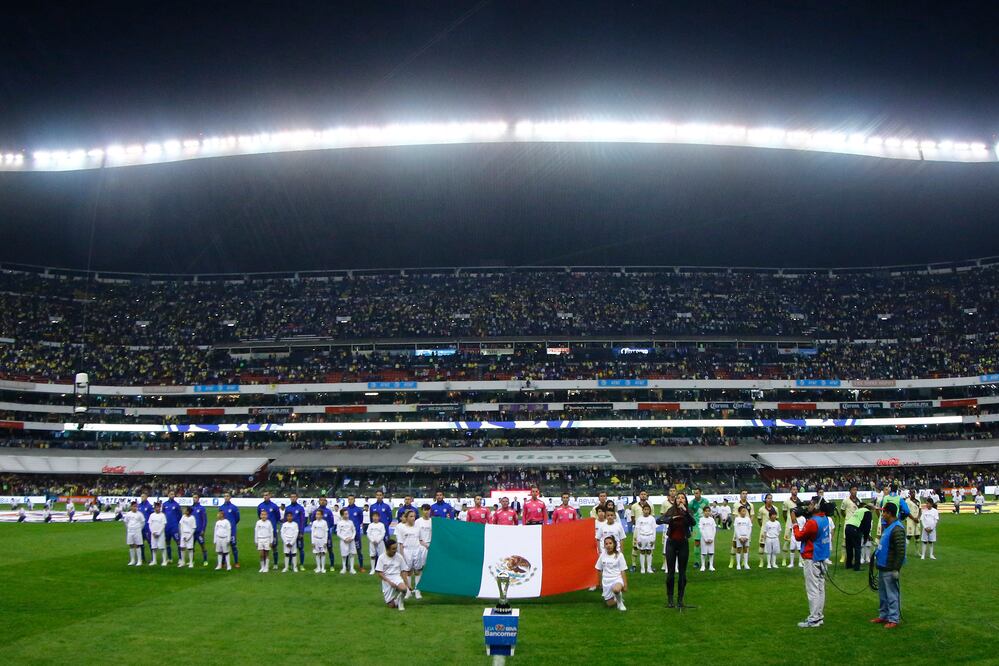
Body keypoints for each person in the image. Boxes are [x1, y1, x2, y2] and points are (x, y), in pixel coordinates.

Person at [792, 498, 832, 628]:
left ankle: (814, 619)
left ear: (816, 506)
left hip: (812, 557)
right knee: (820, 588)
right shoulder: (825, 519)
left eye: (811, 504)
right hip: (822, 557)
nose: (808, 506)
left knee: (813, 590)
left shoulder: (812, 522)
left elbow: (799, 536)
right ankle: (818, 616)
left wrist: (794, 523)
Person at [872, 502, 906, 629]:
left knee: (891, 594)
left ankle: (893, 618)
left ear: (889, 513)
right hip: (883, 565)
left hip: (890, 567)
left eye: (884, 512)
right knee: (883, 594)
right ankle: (884, 615)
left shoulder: (897, 529)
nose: (882, 515)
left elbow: (900, 551)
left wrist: (896, 569)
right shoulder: (889, 527)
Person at [657, 492, 695, 608]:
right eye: (678, 498)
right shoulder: (671, 510)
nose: (680, 499)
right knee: (671, 573)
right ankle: (670, 599)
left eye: (682, 498)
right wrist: (671, 519)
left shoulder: (688, 511)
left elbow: (693, 522)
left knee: (682, 573)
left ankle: (680, 600)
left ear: (685, 501)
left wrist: (685, 511)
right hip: (671, 543)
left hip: (683, 543)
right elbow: (659, 520)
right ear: (675, 500)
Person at [375, 538, 411, 611]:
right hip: (387, 579)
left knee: (404, 589)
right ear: (387, 549)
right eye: (393, 549)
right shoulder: (381, 558)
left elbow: (403, 571)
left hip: (397, 577)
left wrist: (407, 584)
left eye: (396, 548)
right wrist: (389, 582)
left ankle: (401, 602)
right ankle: (397, 599)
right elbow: (379, 573)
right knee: (391, 606)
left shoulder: (399, 557)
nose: (395, 550)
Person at [595, 536, 628, 611]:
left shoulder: (619, 555)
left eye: (610, 543)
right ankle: (618, 598)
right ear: (604, 546)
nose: (608, 545)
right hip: (606, 581)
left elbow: (623, 570)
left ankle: (620, 603)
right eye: (606, 544)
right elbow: (599, 569)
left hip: (616, 579)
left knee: (616, 589)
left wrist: (625, 585)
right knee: (610, 604)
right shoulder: (602, 555)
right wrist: (600, 583)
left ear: (614, 544)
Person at [257, 492, 282, 569]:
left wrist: (273, 524)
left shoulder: (274, 506)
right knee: (263, 549)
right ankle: (264, 564)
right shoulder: (260, 506)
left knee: (274, 547)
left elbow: (278, 517)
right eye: (264, 495)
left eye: (267, 495)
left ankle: (275, 564)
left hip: (272, 530)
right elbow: (259, 516)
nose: (265, 496)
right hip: (263, 531)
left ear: (270, 496)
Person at [844, 503, 872, 571]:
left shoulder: (859, 510)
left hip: (847, 527)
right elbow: (867, 526)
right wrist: (866, 538)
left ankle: (849, 564)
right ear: (870, 509)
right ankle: (857, 567)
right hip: (855, 528)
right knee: (857, 548)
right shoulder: (868, 512)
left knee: (849, 547)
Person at [687, 488, 710, 565]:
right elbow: (689, 513)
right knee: (697, 542)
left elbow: (708, 511)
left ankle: (708, 560)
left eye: (697, 493)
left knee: (707, 542)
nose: (696, 495)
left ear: (700, 493)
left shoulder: (705, 501)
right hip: (696, 525)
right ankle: (697, 561)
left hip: (706, 524)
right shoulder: (691, 503)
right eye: (695, 493)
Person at [284, 493, 308, 568]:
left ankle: (301, 564)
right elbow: (285, 520)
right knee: (290, 548)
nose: (293, 498)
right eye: (291, 497)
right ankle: (291, 564)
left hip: (298, 532)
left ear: (297, 498)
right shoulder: (287, 508)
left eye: (294, 497)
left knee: (300, 548)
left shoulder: (300, 508)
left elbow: (302, 521)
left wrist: (301, 532)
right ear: (290, 498)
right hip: (290, 533)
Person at [219, 493, 241, 568]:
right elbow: (220, 518)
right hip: (223, 531)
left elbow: (237, 518)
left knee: (233, 545)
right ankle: (223, 562)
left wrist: (232, 524)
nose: (226, 497)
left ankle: (236, 562)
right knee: (223, 546)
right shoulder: (221, 507)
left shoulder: (234, 507)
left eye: (227, 496)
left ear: (230, 497)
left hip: (232, 530)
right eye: (225, 496)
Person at [344, 496, 366, 570]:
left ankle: (361, 566)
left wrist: (356, 528)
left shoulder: (358, 510)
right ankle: (346, 566)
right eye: (349, 499)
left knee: (358, 550)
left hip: (356, 534)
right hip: (347, 534)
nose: (350, 500)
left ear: (354, 500)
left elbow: (360, 520)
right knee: (347, 550)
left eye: (352, 499)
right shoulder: (345, 510)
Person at [635, 503, 657, 573]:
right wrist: (638, 539)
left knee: (649, 552)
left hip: (650, 536)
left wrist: (653, 539)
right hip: (642, 536)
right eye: (645, 509)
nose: (646, 511)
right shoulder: (639, 519)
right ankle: (642, 568)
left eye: (648, 509)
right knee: (642, 551)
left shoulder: (652, 518)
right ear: (642, 510)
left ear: (650, 510)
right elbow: (637, 529)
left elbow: (654, 529)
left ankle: (649, 568)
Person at [162, 493, 182, 564]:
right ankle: (170, 558)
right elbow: (163, 515)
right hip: (167, 527)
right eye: (171, 494)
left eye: (173, 494)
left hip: (174, 527)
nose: (172, 495)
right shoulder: (164, 504)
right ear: (168, 495)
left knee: (178, 542)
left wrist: (175, 522)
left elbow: (180, 516)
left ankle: (180, 558)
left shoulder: (176, 505)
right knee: (167, 543)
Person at [190, 494, 210, 566]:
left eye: (195, 497)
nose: (194, 499)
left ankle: (205, 560)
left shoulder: (202, 508)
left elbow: (204, 520)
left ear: (198, 499)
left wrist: (203, 530)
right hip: (192, 532)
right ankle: (192, 560)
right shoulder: (191, 508)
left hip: (199, 531)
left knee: (202, 546)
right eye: (193, 498)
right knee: (191, 547)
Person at [336, 508, 357, 574]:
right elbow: (338, 533)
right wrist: (344, 538)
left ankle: (352, 568)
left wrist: (352, 538)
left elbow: (354, 531)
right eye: (345, 514)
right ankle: (344, 568)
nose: (347, 515)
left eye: (347, 514)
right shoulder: (339, 523)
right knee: (344, 555)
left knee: (352, 554)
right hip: (344, 541)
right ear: (342, 515)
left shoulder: (351, 522)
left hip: (351, 540)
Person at [124, 501, 145, 566]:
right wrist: (128, 528)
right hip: (130, 531)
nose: (135, 508)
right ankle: (132, 560)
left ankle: (139, 560)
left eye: (136, 506)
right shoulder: (128, 514)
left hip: (137, 531)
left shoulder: (140, 514)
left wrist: (139, 528)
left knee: (138, 545)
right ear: (131, 507)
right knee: (131, 545)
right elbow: (126, 522)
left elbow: (143, 522)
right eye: (133, 506)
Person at [147, 502, 167, 567]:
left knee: (162, 547)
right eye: (156, 507)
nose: (157, 509)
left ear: (160, 508)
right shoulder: (152, 515)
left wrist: (159, 532)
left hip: (160, 534)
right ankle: (154, 560)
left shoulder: (162, 515)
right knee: (154, 547)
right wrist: (152, 532)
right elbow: (150, 524)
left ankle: (164, 560)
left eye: (158, 507)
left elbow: (163, 525)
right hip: (153, 533)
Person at [698, 505, 717, 572]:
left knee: (711, 552)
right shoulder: (701, 519)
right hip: (704, 539)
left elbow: (714, 529)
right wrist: (705, 538)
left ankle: (711, 565)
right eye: (706, 511)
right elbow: (701, 530)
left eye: (709, 511)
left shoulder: (712, 519)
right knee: (703, 553)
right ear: (703, 512)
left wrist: (712, 538)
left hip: (711, 538)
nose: (707, 512)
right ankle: (703, 565)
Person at [733, 506, 752, 570]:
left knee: (745, 549)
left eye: (745, 511)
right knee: (739, 549)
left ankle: (746, 564)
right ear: (739, 512)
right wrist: (739, 537)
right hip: (739, 537)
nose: (744, 512)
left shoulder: (748, 519)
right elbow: (736, 529)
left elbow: (750, 528)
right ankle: (738, 564)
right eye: (743, 511)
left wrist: (747, 537)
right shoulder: (737, 519)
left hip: (746, 536)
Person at [311, 509, 329, 573]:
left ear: (322, 515)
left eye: (318, 514)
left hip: (322, 540)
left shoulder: (324, 522)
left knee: (323, 553)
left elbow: (326, 532)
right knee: (317, 553)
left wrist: (325, 542)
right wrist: (313, 542)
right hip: (316, 540)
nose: (317, 515)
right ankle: (318, 567)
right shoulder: (314, 522)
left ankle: (323, 568)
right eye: (316, 514)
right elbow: (312, 532)